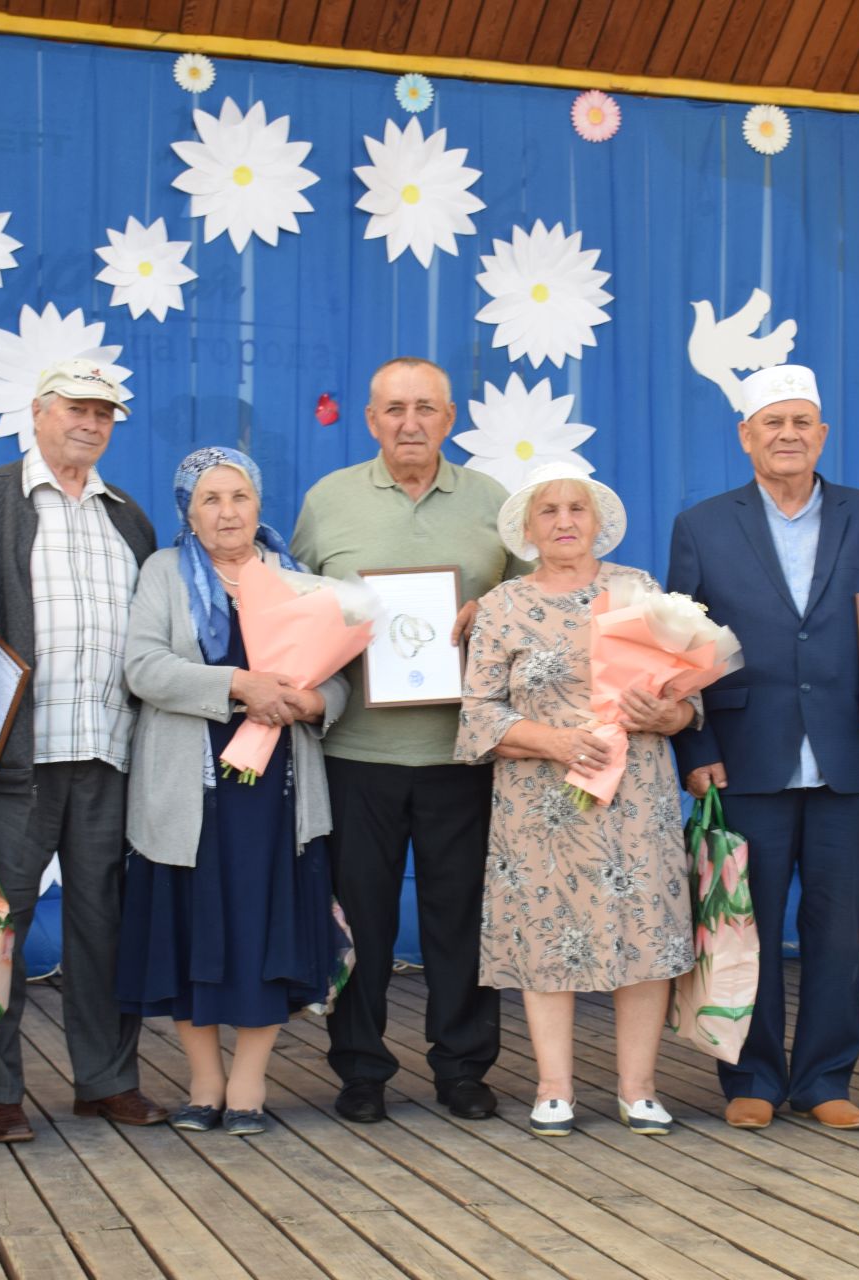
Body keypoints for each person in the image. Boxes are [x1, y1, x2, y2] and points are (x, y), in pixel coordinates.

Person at [667, 363, 859, 1131]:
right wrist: (695, 748)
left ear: (823, 434)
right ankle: (751, 1080)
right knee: (745, 924)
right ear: (746, 436)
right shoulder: (701, 525)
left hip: (847, 757)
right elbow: (681, 648)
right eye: (773, 423)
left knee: (840, 929)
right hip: (743, 756)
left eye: (802, 422)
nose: (789, 435)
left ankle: (828, 1078)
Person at [291, 356, 524, 1125]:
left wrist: (487, 615)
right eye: (394, 409)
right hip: (357, 753)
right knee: (364, 923)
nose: (410, 423)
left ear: (451, 418)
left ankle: (463, 1068)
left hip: (463, 756)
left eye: (426, 408)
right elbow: (294, 613)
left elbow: (532, 607)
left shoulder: (494, 503)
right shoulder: (328, 503)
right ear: (371, 419)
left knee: (461, 921)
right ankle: (361, 1070)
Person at [0, 358, 167, 1142]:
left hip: (107, 751)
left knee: (104, 924)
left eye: (105, 413)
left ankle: (105, 1079)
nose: (92, 423)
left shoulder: (129, 518)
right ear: (38, 412)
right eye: (77, 408)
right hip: (13, 757)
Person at [456, 463, 694, 1137]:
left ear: (597, 522)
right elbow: (477, 716)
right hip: (541, 798)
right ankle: (554, 1087)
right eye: (549, 510)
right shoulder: (501, 605)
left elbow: (688, 700)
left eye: (576, 509)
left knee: (643, 930)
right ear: (527, 529)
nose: (564, 521)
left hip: (635, 795)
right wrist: (555, 743)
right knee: (544, 937)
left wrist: (666, 714)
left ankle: (638, 1089)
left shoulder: (640, 591)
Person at [116, 448, 349, 1136]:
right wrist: (238, 686)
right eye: (210, 499)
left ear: (259, 504)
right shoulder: (164, 573)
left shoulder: (296, 580)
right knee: (194, 933)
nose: (227, 512)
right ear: (188, 510)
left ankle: (247, 1085)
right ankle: (203, 1082)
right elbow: (143, 666)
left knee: (263, 934)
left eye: (239, 497)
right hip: (190, 792)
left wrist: (309, 701)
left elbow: (337, 678)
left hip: (276, 797)